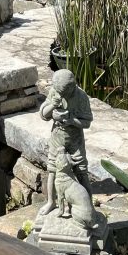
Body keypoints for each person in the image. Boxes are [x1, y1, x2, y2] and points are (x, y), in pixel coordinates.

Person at [39, 69, 92, 216]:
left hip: (75, 140)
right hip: (57, 137)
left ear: (72, 86)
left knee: (81, 171)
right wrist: (53, 107)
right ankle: (51, 202)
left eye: (63, 92)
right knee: (52, 170)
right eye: (58, 91)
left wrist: (72, 121)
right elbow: (43, 115)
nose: (60, 94)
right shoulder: (55, 92)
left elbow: (87, 123)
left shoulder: (81, 96)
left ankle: (89, 203)